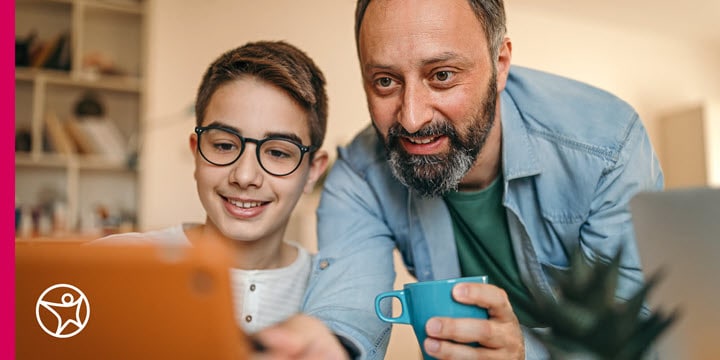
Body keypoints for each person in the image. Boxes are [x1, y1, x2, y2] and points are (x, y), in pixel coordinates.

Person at [256, 0, 663, 359]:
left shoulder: (606, 145)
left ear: (500, 64)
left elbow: (635, 335)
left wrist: (527, 352)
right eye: (385, 82)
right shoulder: (360, 173)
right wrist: (326, 343)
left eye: (443, 75)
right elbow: (348, 303)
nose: (412, 118)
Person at [96, 40, 330, 334]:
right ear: (196, 152)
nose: (245, 176)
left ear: (312, 171)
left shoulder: (334, 293)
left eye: (278, 152)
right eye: (223, 145)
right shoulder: (111, 264)